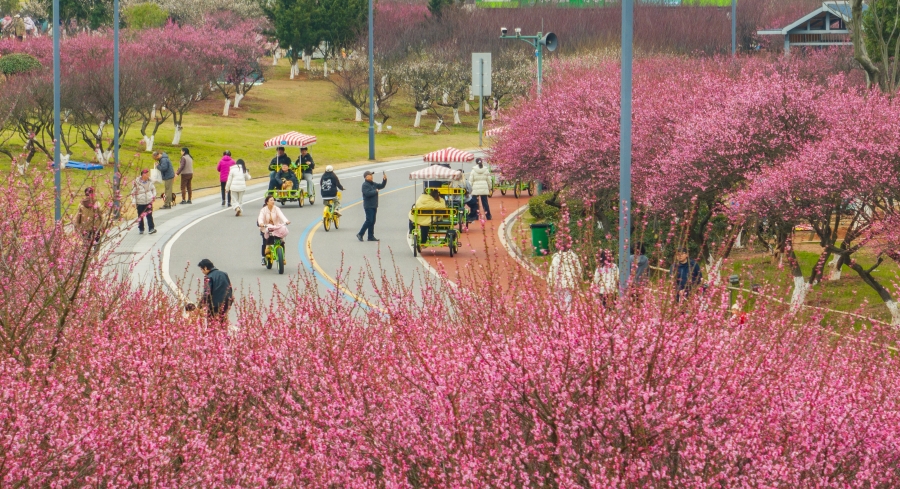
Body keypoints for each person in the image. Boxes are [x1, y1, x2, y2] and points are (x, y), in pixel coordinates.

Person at [197, 258, 233, 324]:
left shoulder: (208, 277)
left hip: (214, 306)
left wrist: (200, 306)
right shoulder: (224, 274)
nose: (202, 272)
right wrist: (230, 302)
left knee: (212, 325)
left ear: (205, 268)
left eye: (201, 269)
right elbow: (230, 288)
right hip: (226, 303)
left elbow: (207, 293)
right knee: (223, 324)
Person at [257, 195, 291, 264]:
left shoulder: (276, 209)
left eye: (273, 200)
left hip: (276, 228)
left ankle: (283, 258)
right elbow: (260, 218)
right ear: (267, 202)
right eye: (271, 200)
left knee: (281, 242)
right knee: (265, 242)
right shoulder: (263, 210)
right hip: (266, 228)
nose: (273, 201)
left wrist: (286, 221)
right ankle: (263, 257)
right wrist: (261, 223)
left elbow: (281, 215)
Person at [356, 170, 387, 242]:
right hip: (368, 206)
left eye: (372, 175)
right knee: (369, 220)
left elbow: (381, 186)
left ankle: (370, 236)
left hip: (374, 205)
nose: (372, 176)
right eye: (370, 175)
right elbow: (367, 193)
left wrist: (384, 180)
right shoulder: (365, 185)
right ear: (366, 177)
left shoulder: (373, 184)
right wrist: (375, 191)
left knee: (372, 221)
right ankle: (360, 234)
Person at [131, 169, 156, 235]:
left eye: (148, 174)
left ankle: (151, 228)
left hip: (148, 200)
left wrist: (153, 196)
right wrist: (133, 201)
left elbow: (153, 189)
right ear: (143, 175)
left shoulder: (150, 181)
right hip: (140, 201)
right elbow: (133, 192)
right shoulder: (136, 182)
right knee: (140, 216)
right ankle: (141, 228)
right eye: (146, 174)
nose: (148, 175)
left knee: (149, 215)